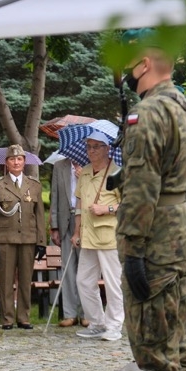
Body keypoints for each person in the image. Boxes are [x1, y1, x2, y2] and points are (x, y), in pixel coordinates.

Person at [107, 28, 186, 371]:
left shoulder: (148, 113)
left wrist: (132, 251)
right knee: (176, 344)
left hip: (157, 243)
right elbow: (172, 173)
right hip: (182, 235)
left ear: (144, 61)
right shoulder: (185, 106)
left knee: (156, 351)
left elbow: (145, 187)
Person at [0, 144, 48, 330]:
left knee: (25, 280)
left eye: (19, 159)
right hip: (6, 238)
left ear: (24, 161)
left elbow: (39, 216)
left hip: (28, 238)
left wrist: (41, 242)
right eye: (12, 159)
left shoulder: (34, 185)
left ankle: (24, 317)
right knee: (5, 280)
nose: (16, 162)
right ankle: (7, 318)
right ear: (6, 163)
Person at [70, 132, 124, 341]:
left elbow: (129, 203)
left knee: (113, 283)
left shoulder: (117, 173)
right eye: (89, 147)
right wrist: (76, 231)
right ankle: (97, 322)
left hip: (109, 236)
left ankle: (114, 325)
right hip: (88, 235)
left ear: (107, 148)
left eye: (96, 146)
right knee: (83, 281)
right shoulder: (83, 172)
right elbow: (80, 205)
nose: (91, 150)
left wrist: (107, 208)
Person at [49, 155, 87, 327]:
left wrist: (83, 180)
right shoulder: (59, 166)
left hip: (85, 222)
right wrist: (54, 226)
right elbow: (54, 197)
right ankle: (70, 314)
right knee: (68, 269)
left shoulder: (91, 166)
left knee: (86, 269)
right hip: (66, 221)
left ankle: (87, 313)